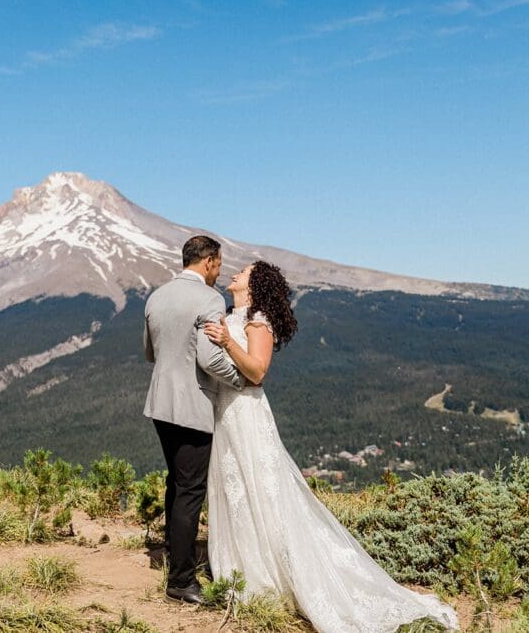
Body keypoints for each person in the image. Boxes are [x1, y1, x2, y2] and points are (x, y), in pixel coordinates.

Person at [201, 260, 461, 632]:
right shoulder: (230, 315)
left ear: (256, 284)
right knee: (235, 489)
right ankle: (243, 569)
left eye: (244, 271)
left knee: (262, 490)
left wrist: (227, 341)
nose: (235, 273)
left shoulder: (258, 322)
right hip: (225, 413)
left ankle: (277, 574)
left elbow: (257, 372)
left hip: (247, 413)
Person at [142, 235, 245, 604]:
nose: (220, 271)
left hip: (159, 403)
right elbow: (210, 359)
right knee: (191, 491)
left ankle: (176, 557)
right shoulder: (208, 298)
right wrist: (241, 380)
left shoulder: (157, 296)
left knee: (176, 483)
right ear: (209, 261)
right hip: (191, 404)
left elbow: (150, 352)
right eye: (219, 264)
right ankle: (182, 581)